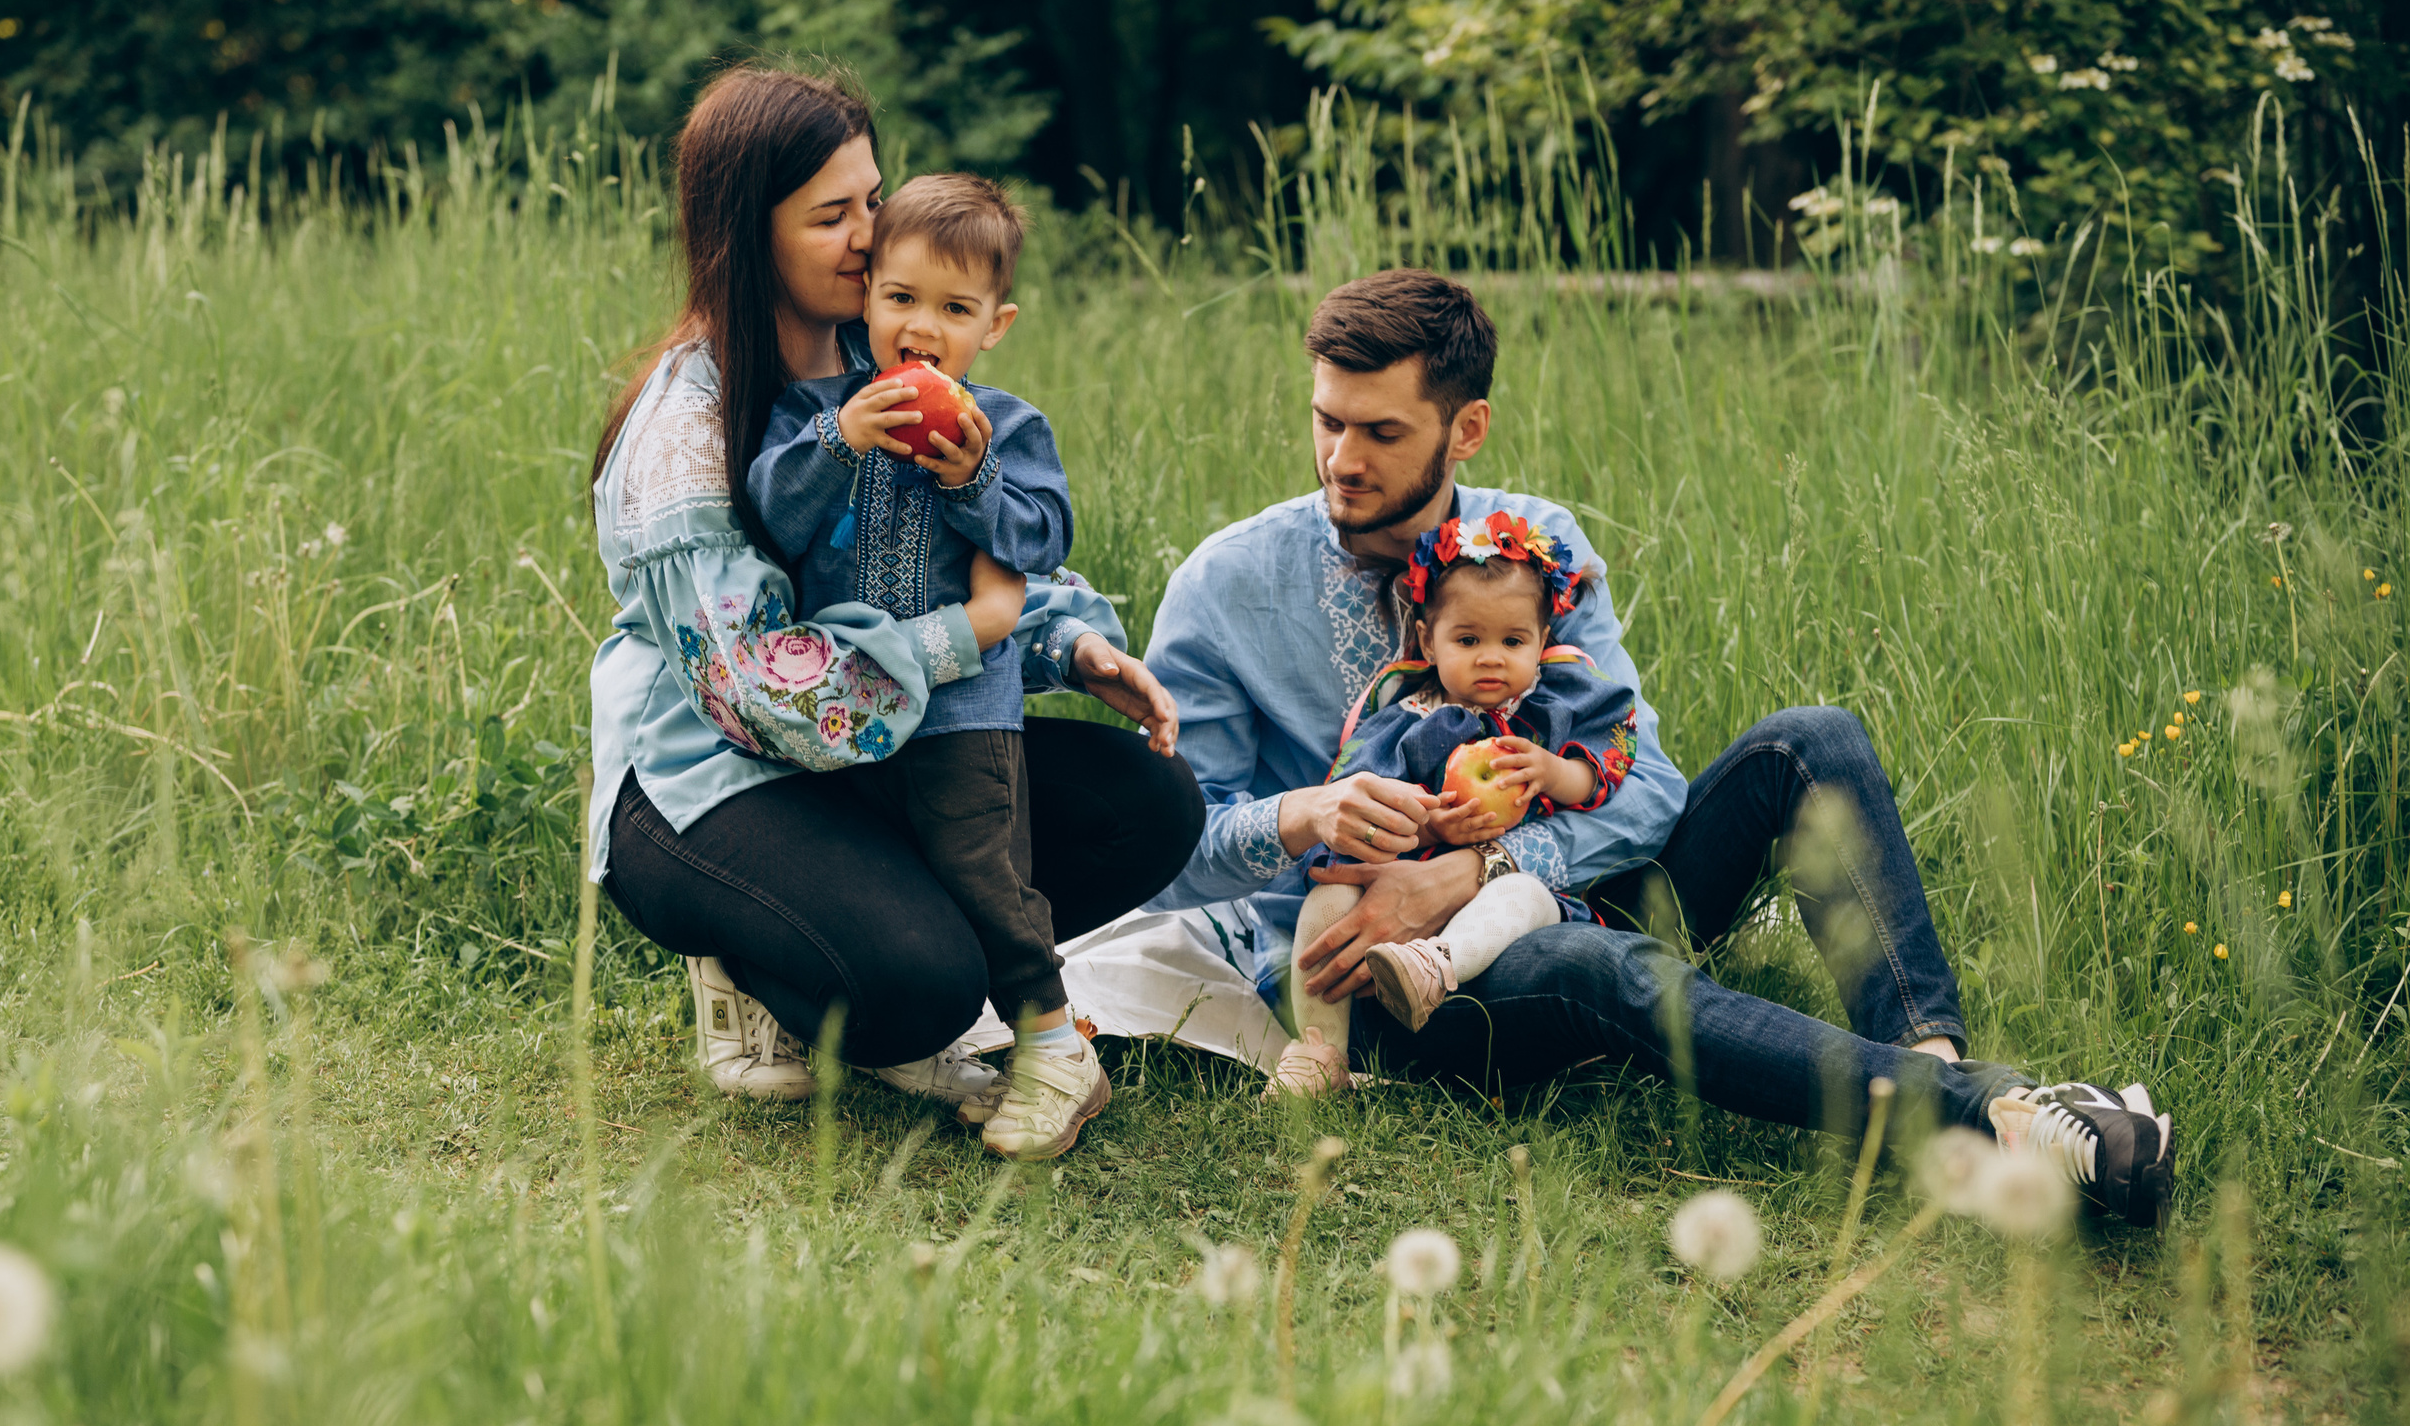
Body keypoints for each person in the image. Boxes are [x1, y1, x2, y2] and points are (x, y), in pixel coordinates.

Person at [1142, 268, 2176, 1228]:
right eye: (1326, 419)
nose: (1340, 458)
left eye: (1378, 429)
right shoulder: (1225, 585)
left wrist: (1485, 863)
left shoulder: (1538, 547)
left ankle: (1933, 1070)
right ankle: (2000, 1107)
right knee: (1589, 960)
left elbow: (1647, 788)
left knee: (1812, 741)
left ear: (1466, 429)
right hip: (1393, 975)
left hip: (1567, 887)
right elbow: (1173, 849)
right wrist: (1298, 816)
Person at [586, 64, 1197, 1146]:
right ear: (747, 233)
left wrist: (1070, 641)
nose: (873, 238)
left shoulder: (882, 349)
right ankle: (750, 962)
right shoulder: (690, 433)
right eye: (833, 215)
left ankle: (875, 928)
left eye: (872, 198)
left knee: (1148, 803)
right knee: (918, 985)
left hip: (887, 749)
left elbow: (959, 541)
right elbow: (763, 695)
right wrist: (976, 632)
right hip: (715, 776)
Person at [747, 172, 1115, 1159]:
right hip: (837, 710)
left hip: (962, 711)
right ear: (864, 298)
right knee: (851, 857)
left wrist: (970, 475)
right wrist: (837, 439)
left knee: (982, 869)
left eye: (953, 308)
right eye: (900, 298)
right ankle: (839, 1021)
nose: (920, 327)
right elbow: (765, 516)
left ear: (996, 323)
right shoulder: (814, 411)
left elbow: (1042, 534)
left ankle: (1053, 1044)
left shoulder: (1005, 425)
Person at [1275, 508, 1641, 1084]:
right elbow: (1353, 811)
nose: (1491, 656)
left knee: (1522, 891)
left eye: (1513, 640)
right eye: (1467, 639)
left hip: (1499, 908)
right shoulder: (1406, 722)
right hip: (1402, 898)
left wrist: (1552, 772)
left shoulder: (1553, 709)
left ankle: (1433, 965)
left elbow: (1607, 771)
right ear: (1428, 638)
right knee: (1328, 899)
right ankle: (1320, 1049)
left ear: (1543, 640)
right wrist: (1429, 828)